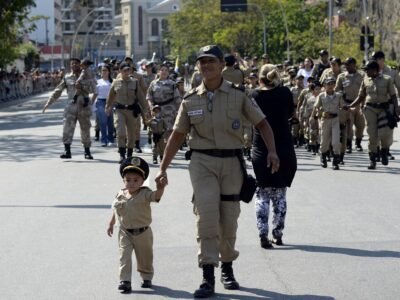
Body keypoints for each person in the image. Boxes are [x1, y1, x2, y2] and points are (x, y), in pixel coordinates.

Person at [154, 45, 280, 298]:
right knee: (207, 216)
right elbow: (177, 135)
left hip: (232, 163)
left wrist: (272, 151)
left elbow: (263, 124)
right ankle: (207, 275)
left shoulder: (239, 96)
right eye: (202, 62)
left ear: (223, 65)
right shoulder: (191, 100)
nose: (206, 66)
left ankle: (228, 268)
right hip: (202, 163)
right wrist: (163, 167)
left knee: (229, 218)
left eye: (211, 61)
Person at [251, 65, 297, 249]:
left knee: (262, 192)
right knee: (280, 193)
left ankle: (263, 233)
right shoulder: (285, 92)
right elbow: (291, 113)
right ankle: (277, 234)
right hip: (284, 147)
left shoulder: (254, 95)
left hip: (261, 149)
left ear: (260, 79)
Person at [107, 156, 166, 293]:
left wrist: (161, 187)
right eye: (128, 180)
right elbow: (116, 210)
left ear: (142, 181)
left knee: (145, 257)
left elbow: (156, 196)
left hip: (143, 232)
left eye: (135, 180)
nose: (131, 183)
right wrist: (111, 224)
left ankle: (146, 277)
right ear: (123, 180)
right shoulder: (120, 194)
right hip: (125, 231)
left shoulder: (145, 193)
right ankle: (125, 281)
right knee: (124, 256)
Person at [344, 60, 397, 169]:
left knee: (385, 133)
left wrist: (397, 109)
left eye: (368, 70)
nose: (366, 72)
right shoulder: (365, 80)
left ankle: (384, 150)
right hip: (370, 109)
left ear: (375, 70)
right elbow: (361, 96)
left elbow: (393, 96)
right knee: (372, 135)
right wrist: (351, 106)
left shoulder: (387, 80)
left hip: (384, 109)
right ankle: (372, 159)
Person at [42, 58, 94, 160]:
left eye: (76, 63)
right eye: (72, 64)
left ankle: (87, 152)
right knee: (67, 129)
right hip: (71, 107)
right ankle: (67, 151)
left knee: (85, 129)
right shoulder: (67, 77)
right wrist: (49, 103)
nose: (74, 65)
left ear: (80, 65)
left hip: (83, 106)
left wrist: (82, 86)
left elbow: (92, 89)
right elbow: (58, 90)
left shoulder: (87, 76)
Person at [105, 63, 149, 163]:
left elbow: (141, 97)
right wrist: (107, 107)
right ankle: (122, 155)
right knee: (120, 132)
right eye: (124, 70)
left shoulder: (135, 82)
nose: (126, 72)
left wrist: (145, 110)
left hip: (131, 110)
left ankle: (129, 154)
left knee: (132, 134)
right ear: (120, 71)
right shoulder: (116, 82)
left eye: (128, 70)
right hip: (119, 110)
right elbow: (111, 96)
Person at [311, 77, 344, 170]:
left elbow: (342, 106)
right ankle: (323, 158)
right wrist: (319, 114)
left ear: (334, 85)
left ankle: (335, 161)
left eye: (332, 84)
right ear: (324, 86)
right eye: (328, 84)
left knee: (336, 141)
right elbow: (316, 107)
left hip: (335, 120)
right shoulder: (321, 96)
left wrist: (349, 108)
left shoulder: (338, 96)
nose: (330, 86)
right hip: (325, 120)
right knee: (324, 141)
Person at [334, 57, 364, 153]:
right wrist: (342, 100)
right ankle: (348, 144)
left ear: (354, 65)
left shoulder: (362, 75)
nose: (346, 66)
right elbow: (337, 90)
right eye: (345, 64)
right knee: (348, 126)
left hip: (359, 104)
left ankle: (358, 143)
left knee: (360, 125)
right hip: (347, 104)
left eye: (348, 64)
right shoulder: (342, 76)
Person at [146, 64, 181, 141]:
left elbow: (177, 98)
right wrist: (151, 107)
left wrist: (179, 111)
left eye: (166, 70)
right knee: (157, 131)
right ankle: (157, 148)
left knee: (169, 131)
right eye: (162, 70)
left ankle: (167, 151)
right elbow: (149, 97)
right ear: (158, 72)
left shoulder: (172, 84)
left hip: (169, 111)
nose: (164, 72)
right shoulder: (153, 83)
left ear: (168, 72)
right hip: (156, 110)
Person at [92, 64, 115, 147]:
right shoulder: (98, 82)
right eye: (102, 70)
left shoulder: (113, 82)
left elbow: (115, 94)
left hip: (111, 102)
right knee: (103, 122)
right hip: (101, 102)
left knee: (110, 122)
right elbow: (95, 94)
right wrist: (91, 104)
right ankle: (104, 140)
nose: (103, 72)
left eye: (105, 70)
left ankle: (111, 139)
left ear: (109, 72)